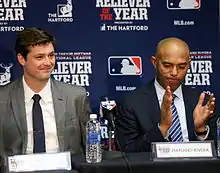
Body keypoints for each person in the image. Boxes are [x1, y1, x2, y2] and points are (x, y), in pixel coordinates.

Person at [115, 37, 217, 152]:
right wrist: (162, 128)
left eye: (182, 66)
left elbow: (215, 152)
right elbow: (127, 153)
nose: (174, 73)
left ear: (189, 64)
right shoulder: (132, 103)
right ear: (154, 62)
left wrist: (200, 130)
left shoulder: (203, 102)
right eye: (167, 65)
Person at [0, 27, 91, 155]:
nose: (48, 62)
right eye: (39, 57)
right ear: (22, 59)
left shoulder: (75, 96)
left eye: (51, 55)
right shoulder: (2, 98)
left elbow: (90, 148)